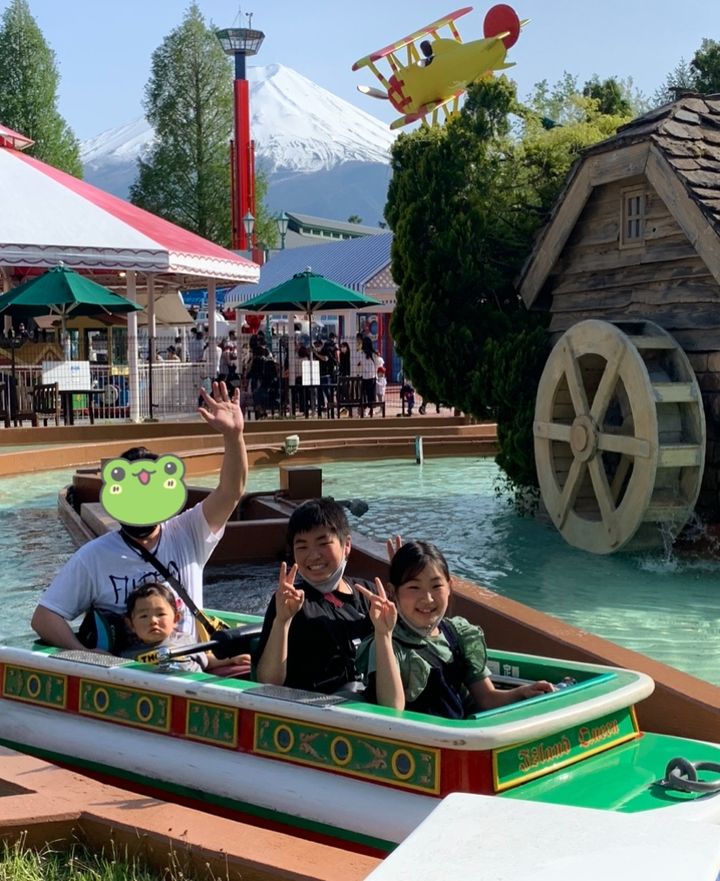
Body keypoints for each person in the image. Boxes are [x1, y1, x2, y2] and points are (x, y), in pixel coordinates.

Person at [30, 380, 248, 651]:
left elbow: (231, 491)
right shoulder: (93, 557)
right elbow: (45, 616)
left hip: (188, 665)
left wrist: (234, 436)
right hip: (127, 673)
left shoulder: (189, 532)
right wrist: (87, 656)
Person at [356, 541, 554, 718]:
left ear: (449, 586)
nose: (428, 598)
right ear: (393, 592)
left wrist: (523, 693)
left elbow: (487, 698)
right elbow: (392, 712)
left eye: (436, 586)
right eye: (414, 588)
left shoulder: (457, 633)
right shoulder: (388, 645)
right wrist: (383, 634)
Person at [254, 498, 375, 694]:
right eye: (302, 547)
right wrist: (282, 621)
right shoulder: (289, 601)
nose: (313, 555)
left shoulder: (368, 593)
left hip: (368, 702)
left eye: (323, 543)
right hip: (315, 706)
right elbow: (268, 681)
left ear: (346, 545)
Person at [122, 582, 250, 674]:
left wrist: (232, 659)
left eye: (160, 614)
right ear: (131, 624)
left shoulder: (185, 641)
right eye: (144, 616)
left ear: (176, 619)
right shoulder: (126, 657)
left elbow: (206, 661)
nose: (153, 621)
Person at [356, 336, 383, 416]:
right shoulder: (374, 354)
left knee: (364, 394)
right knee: (371, 395)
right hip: (372, 377)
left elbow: (357, 364)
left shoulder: (360, 354)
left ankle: (363, 410)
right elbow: (380, 364)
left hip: (364, 378)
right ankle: (371, 410)